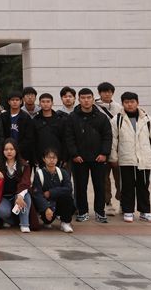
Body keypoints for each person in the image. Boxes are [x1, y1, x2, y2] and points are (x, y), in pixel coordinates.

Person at [109, 92, 151, 223]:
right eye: (126, 102)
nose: (129, 104)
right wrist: (113, 158)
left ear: (137, 102)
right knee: (127, 186)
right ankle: (128, 211)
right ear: (122, 104)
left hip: (144, 159)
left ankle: (145, 212)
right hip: (126, 158)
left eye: (132, 102)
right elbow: (113, 140)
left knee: (143, 186)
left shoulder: (147, 119)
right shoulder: (117, 119)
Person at [65, 88, 112, 223]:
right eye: (83, 98)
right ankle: (82, 212)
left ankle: (100, 212)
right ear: (79, 100)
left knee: (100, 186)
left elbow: (107, 136)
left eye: (89, 98)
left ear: (93, 99)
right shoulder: (72, 117)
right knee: (80, 187)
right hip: (79, 159)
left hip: (98, 158)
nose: (86, 100)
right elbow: (69, 137)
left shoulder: (102, 117)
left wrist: (104, 153)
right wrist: (74, 154)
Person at [0, 139, 33, 233]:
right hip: (4, 197)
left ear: (16, 150)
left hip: (17, 195)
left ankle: (24, 224)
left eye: (11, 149)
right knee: (2, 211)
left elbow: (25, 183)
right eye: (6, 149)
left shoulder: (24, 165)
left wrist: (19, 196)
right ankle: (13, 221)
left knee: (26, 196)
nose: (9, 152)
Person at [31, 148, 75, 233]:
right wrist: (46, 208)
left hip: (58, 203)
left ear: (57, 159)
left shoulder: (63, 172)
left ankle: (65, 223)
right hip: (46, 204)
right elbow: (38, 194)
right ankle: (45, 219)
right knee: (48, 221)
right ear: (44, 159)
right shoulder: (39, 174)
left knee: (68, 198)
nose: (51, 160)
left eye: (54, 158)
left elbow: (69, 188)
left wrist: (51, 192)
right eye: (49, 157)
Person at [96, 81, 123, 218]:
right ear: (99, 93)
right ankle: (108, 203)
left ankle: (123, 201)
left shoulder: (119, 108)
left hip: (118, 148)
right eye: (104, 91)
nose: (107, 94)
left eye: (109, 92)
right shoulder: (95, 107)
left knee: (120, 177)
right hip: (101, 148)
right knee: (104, 178)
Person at [31, 93, 68, 167]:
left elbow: (64, 140)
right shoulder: (35, 120)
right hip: (40, 157)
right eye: (43, 102)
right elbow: (32, 141)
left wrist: (64, 158)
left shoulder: (60, 120)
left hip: (57, 157)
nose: (45, 104)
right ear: (39, 104)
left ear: (52, 103)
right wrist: (34, 158)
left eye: (48, 101)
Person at [1, 91, 34, 164]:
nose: (15, 102)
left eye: (17, 100)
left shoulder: (26, 117)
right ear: (9, 102)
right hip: (6, 152)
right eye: (12, 100)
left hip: (22, 153)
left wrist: (17, 149)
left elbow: (28, 137)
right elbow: (1, 135)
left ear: (21, 102)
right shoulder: (3, 116)